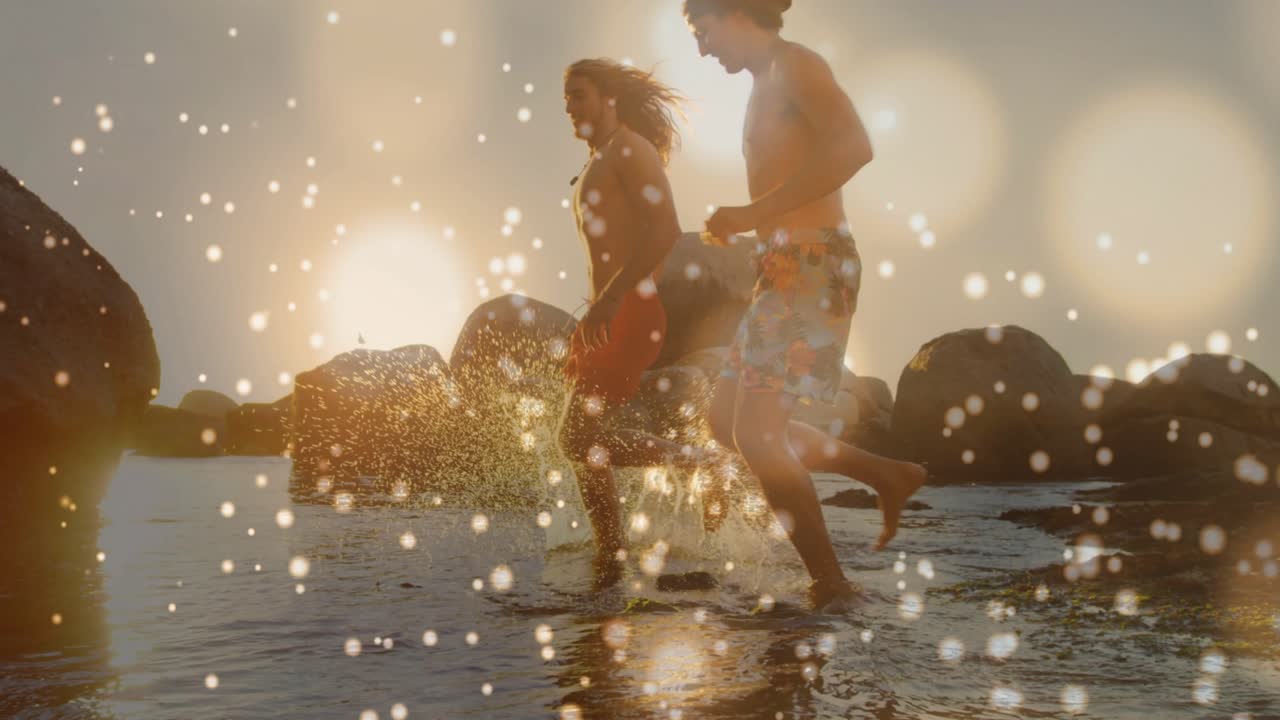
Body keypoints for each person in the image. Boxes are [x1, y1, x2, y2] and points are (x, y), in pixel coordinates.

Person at [683, 0, 927, 608]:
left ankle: (832, 586)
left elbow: (853, 147)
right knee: (724, 422)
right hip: (786, 267)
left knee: (758, 436)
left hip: (815, 264)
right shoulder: (766, 81)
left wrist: (753, 214)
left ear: (736, 10)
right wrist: (759, 235)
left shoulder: (796, 65)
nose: (702, 49)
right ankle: (883, 473)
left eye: (703, 30)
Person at [558, 58, 717, 590]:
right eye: (567, 99)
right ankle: (611, 550)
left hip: (628, 307)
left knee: (577, 437)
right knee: (582, 439)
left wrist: (610, 298)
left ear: (610, 99)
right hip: (606, 312)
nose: (570, 107)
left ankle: (697, 461)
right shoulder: (601, 158)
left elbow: (666, 228)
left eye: (580, 95)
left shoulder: (629, 148)